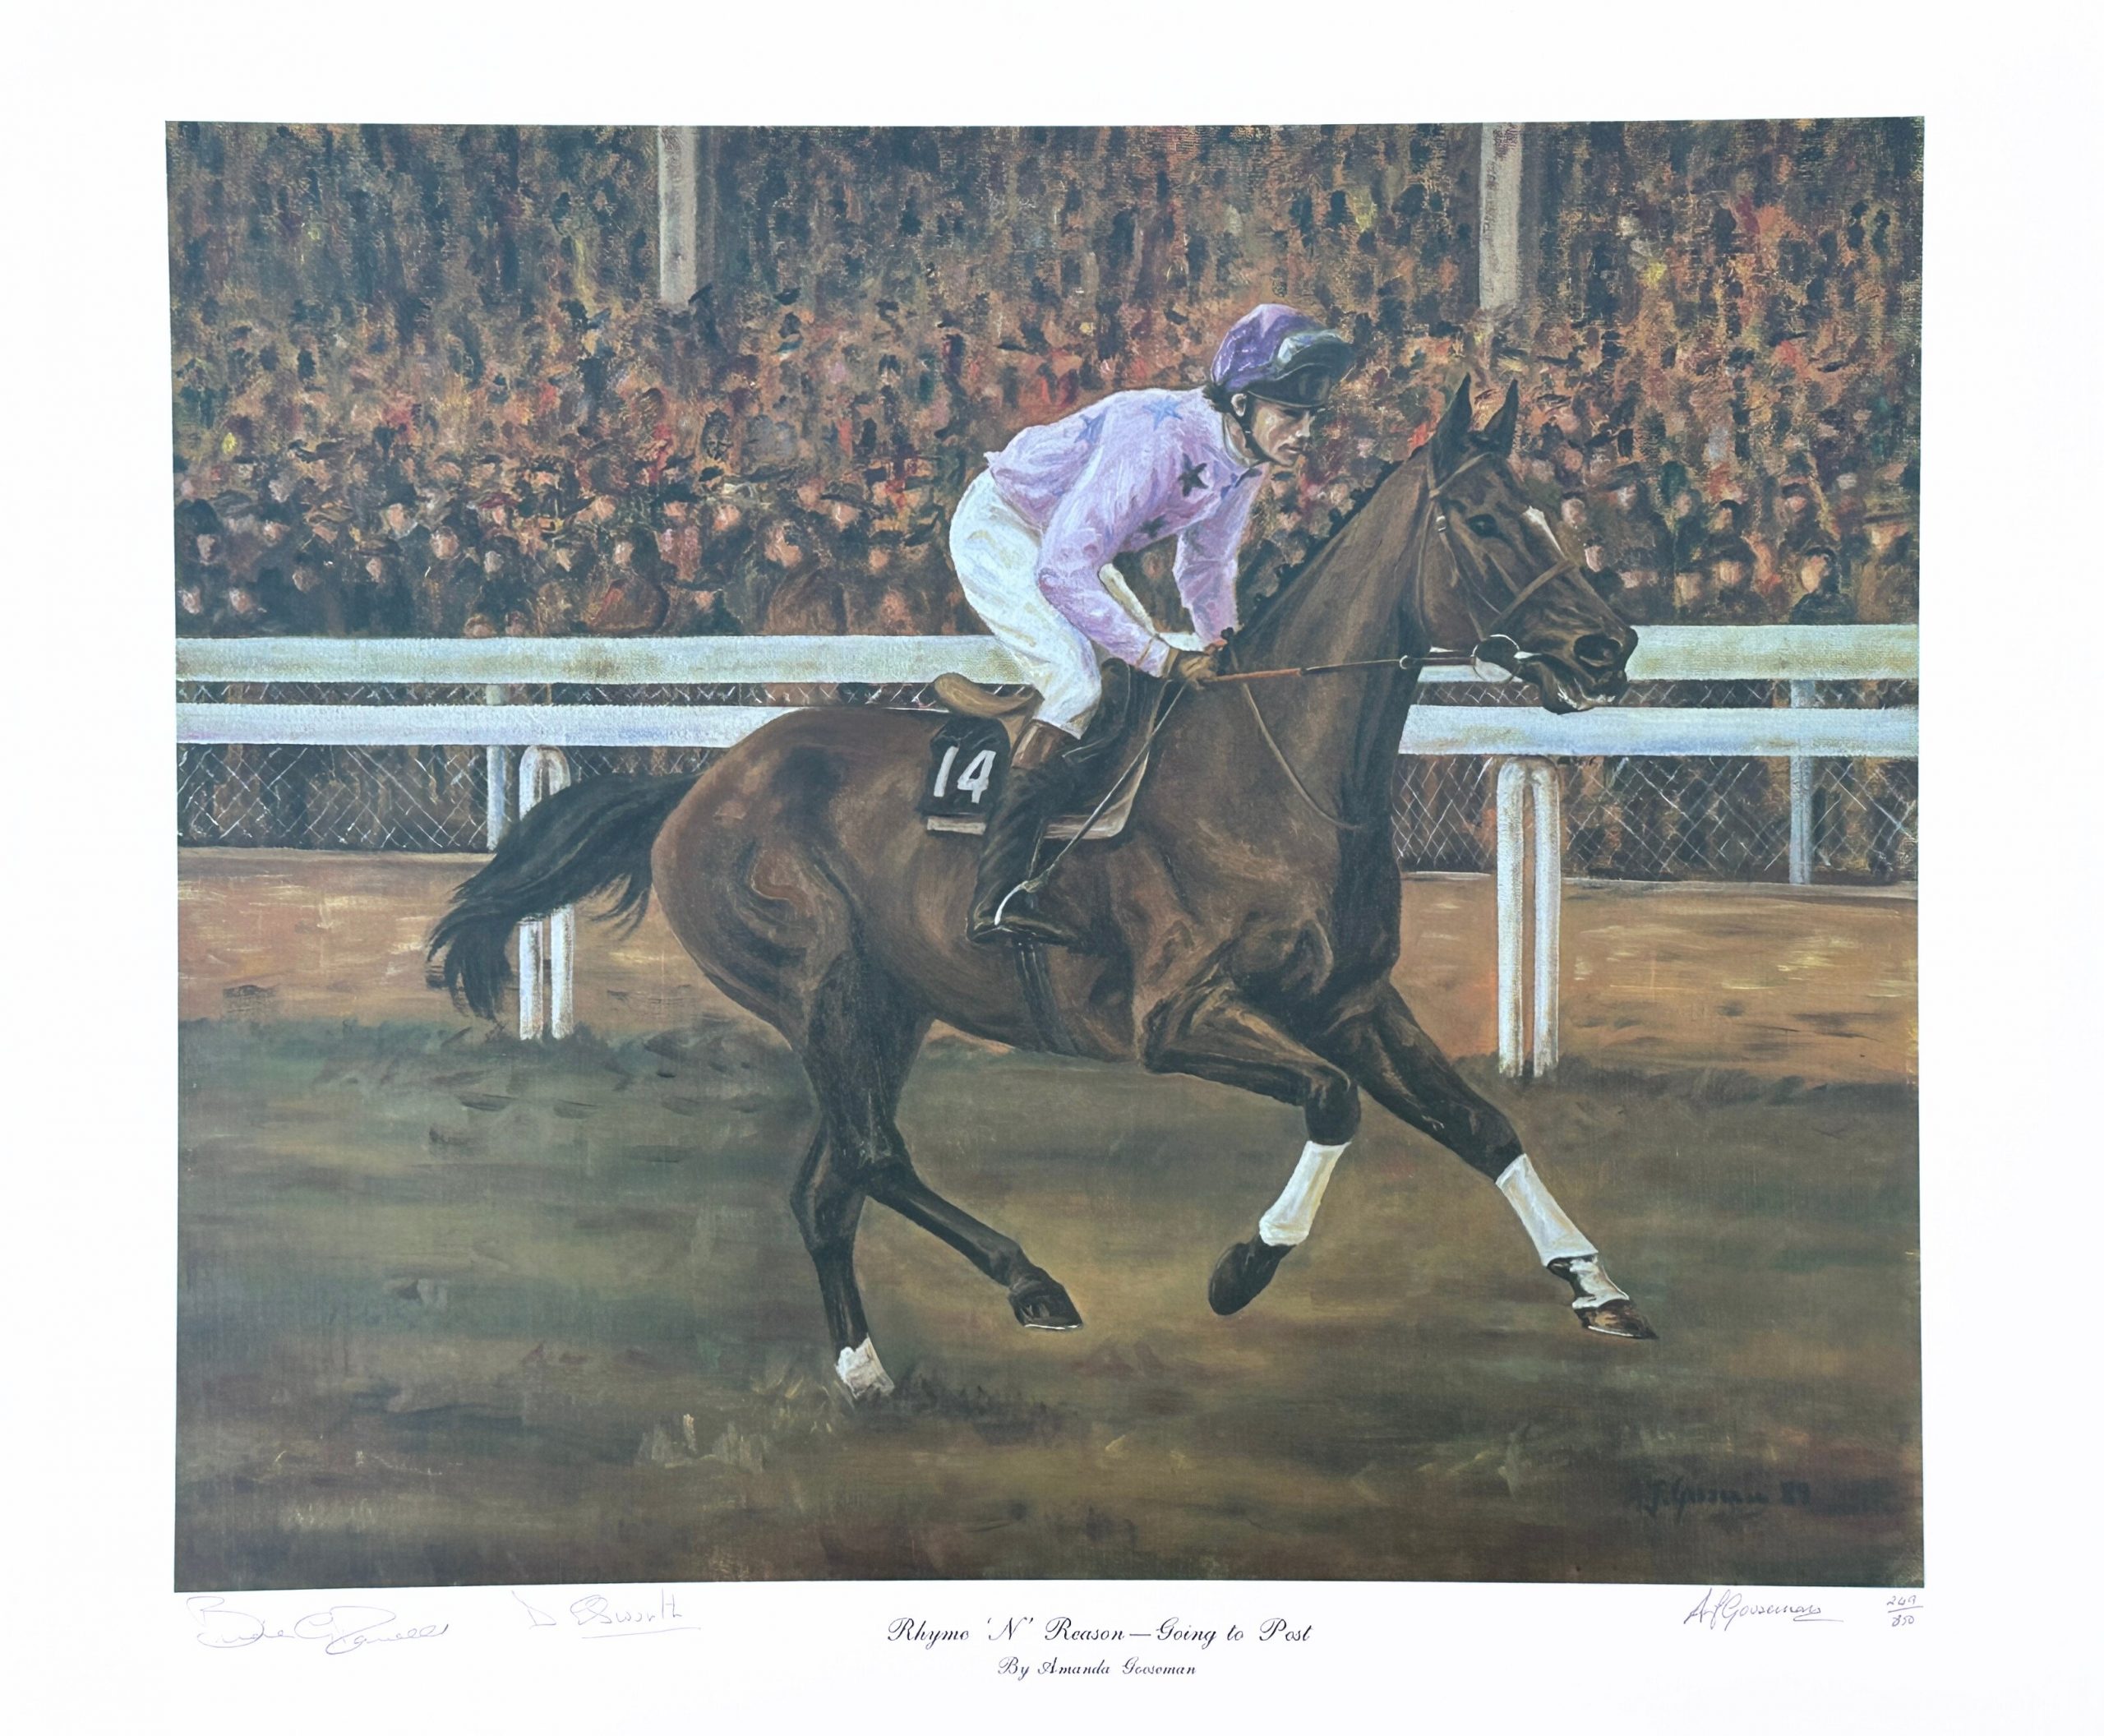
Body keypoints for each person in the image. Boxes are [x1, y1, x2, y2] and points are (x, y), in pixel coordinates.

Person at [946, 302, 1353, 946]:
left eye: (1311, 417)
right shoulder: (1157, 438)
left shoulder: (1246, 460)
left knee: (1136, 680)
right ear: (1242, 404)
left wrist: (1222, 643)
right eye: (1290, 414)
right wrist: (1166, 656)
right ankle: (995, 897)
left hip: (1063, 543)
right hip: (1002, 528)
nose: (1305, 433)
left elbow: (1206, 566)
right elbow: (1060, 572)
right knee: (1079, 684)